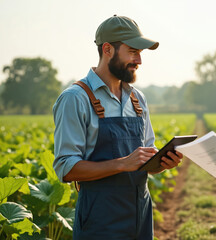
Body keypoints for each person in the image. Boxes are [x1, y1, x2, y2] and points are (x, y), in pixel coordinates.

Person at [53, 15, 183, 240]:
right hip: (100, 221)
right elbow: (66, 168)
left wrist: (160, 164)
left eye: (140, 54)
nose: (139, 61)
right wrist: (122, 164)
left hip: (140, 216)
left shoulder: (137, 99)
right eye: (133, 51)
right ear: (107, 49)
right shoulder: (75, 98)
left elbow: (143, 163)